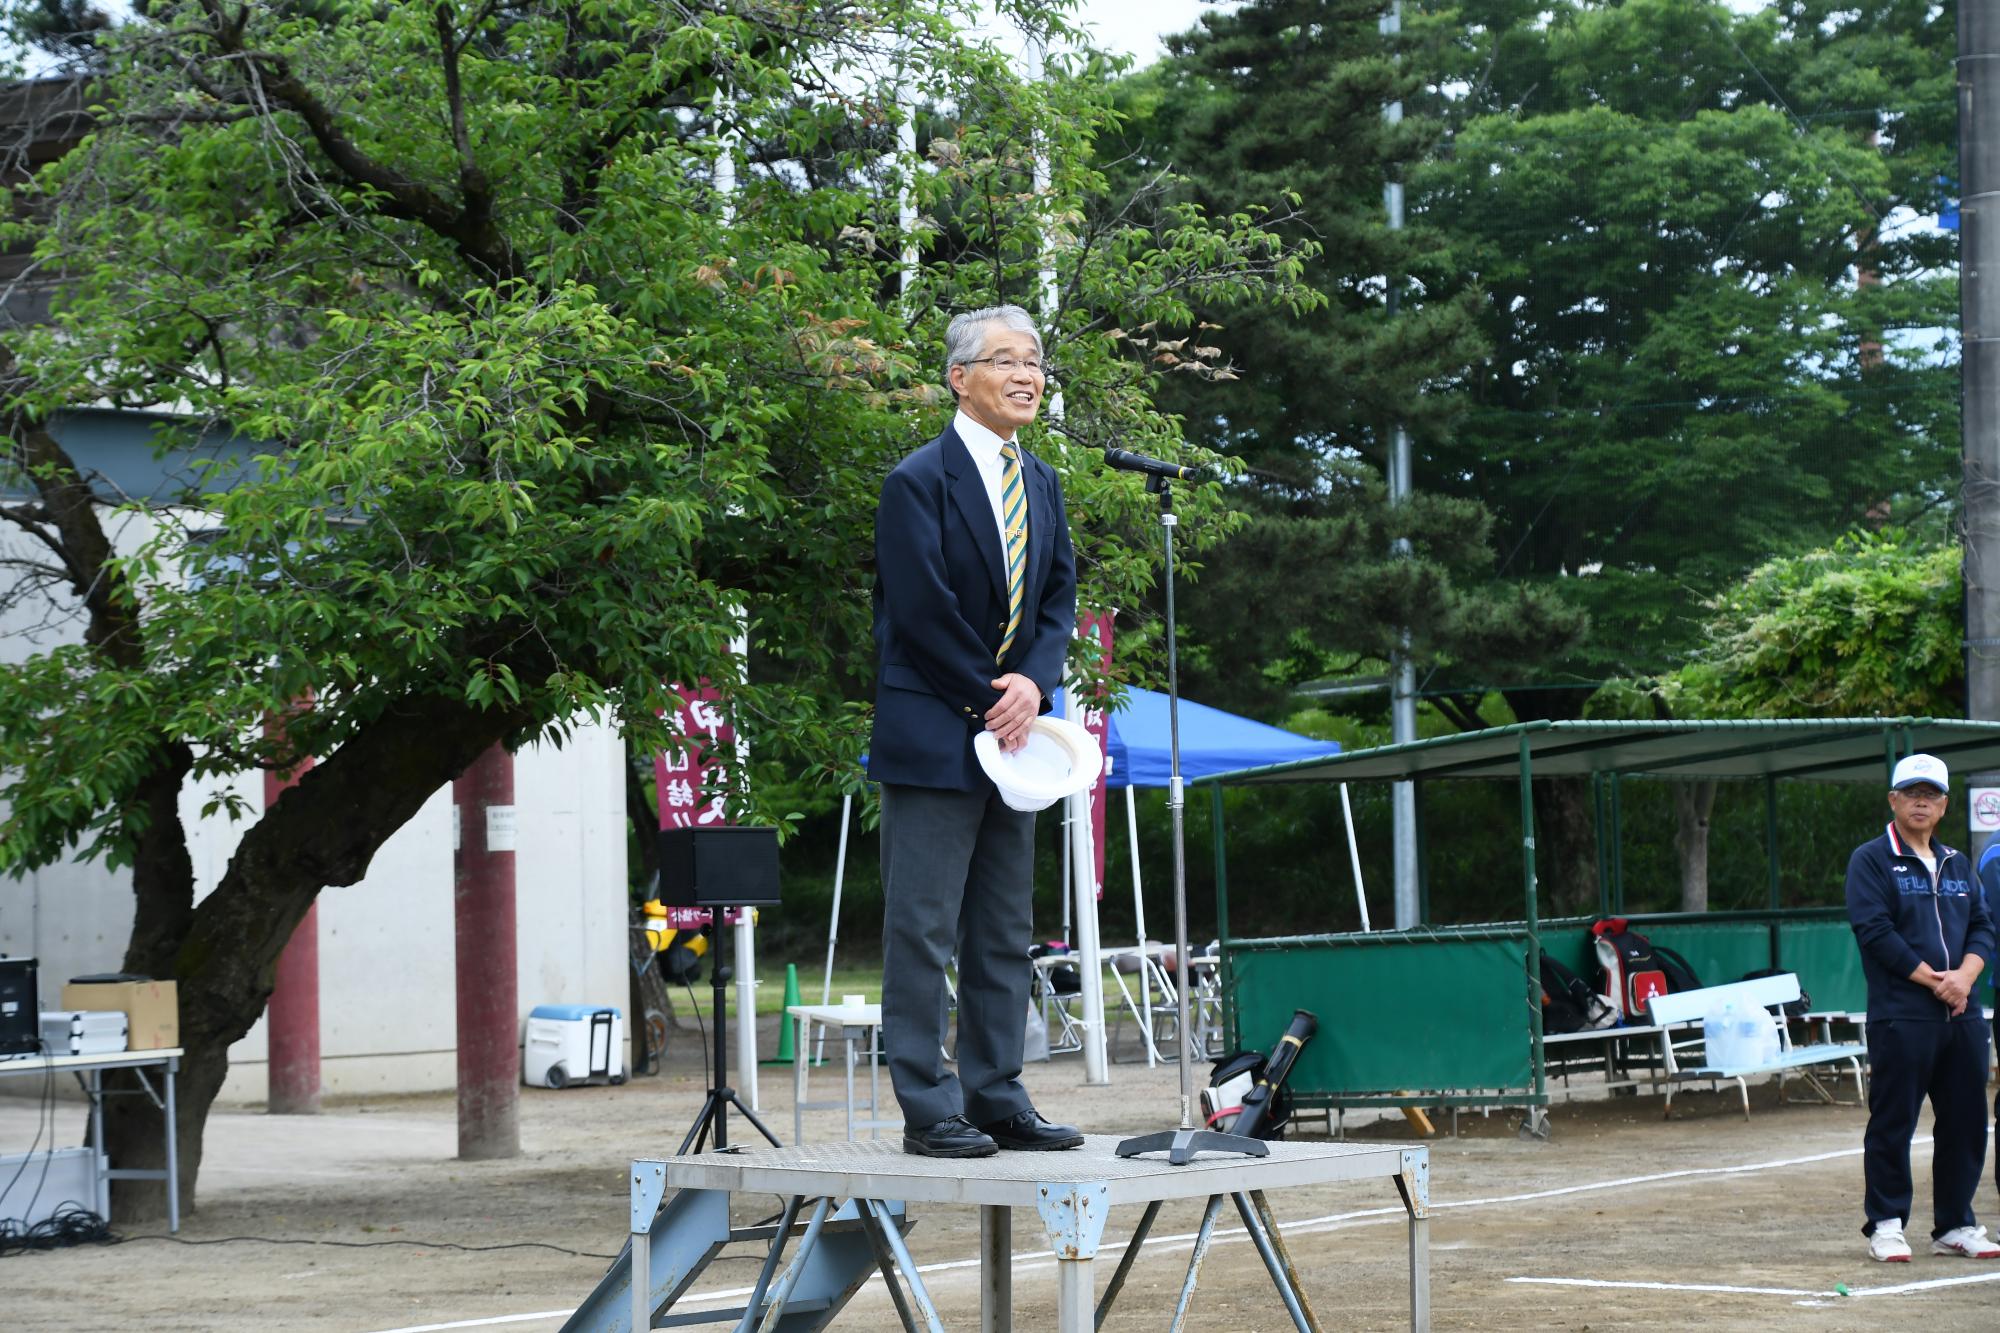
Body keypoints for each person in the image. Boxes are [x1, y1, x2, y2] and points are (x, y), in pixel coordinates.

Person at [867, 304, 1084, 1158]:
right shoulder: (916, 480)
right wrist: (992, 695)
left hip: (1015, 736)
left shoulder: (1042, 481)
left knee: (1001, 926)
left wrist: (1033, 682)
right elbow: (920, 610)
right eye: (1006, 359)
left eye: (1034, 361)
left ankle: (997, 1092)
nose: (1027, 374)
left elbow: (1058, 598)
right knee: (921, 926)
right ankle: (930, 1104)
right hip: (934, 730)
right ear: (960, 378)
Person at [1845, 752, 2000, 1262]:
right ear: (1893, 800)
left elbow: (1983, 925)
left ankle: (1955, 1224)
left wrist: (1966, 977)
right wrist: (1935, 981)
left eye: (1930, 794)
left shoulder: (1957, 863)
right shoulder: (1870, 859)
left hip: (1963, 1016)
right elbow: (1875, 932)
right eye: (1911, 792)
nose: (1920, 801)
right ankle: (1887, 1224)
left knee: (1965, 1121)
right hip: (1902, 1014)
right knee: (1894, 1121)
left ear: (1944, 805)